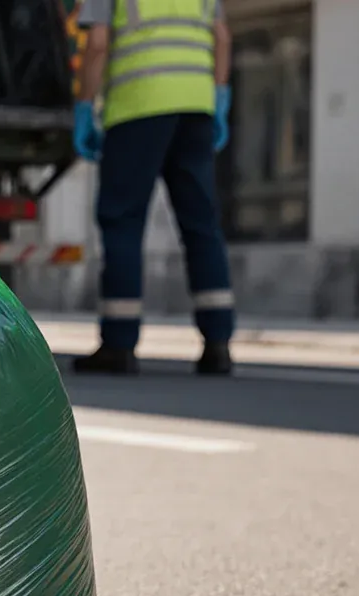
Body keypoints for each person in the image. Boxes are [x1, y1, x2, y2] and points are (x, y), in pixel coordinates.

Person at [72, 0, 235, 375]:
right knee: (201, 225)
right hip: (196, 108)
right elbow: (222, 38)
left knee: (123, 221)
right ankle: (218, 344)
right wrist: (220, 96)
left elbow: (97, 43)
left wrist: (84, 105)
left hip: (138, 108)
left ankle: (119, 343)